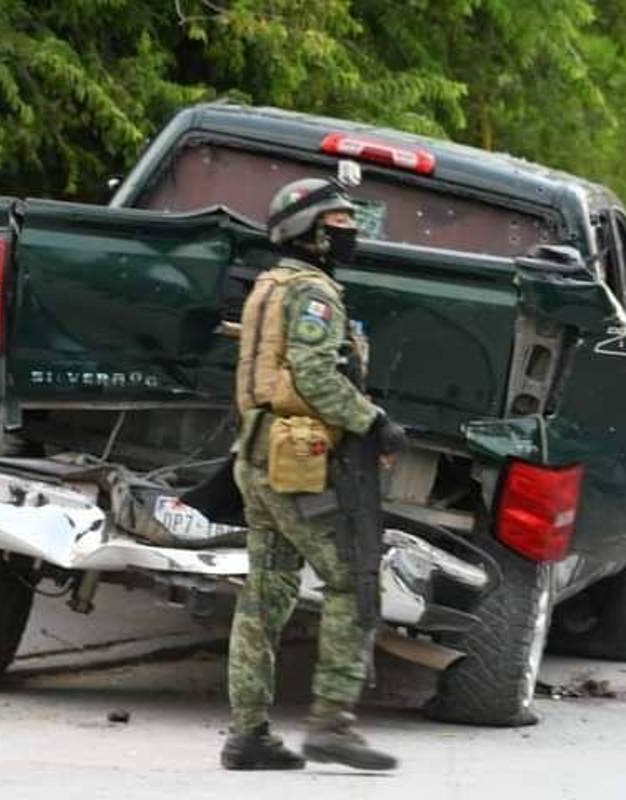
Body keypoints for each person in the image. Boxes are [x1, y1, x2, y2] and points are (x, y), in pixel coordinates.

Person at [221, 177, 407, 772]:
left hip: (256, 457)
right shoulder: (314, 294)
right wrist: (371, 420)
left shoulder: (269, 285)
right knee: (353, 583)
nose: (353, 235)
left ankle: (248, 736)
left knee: (265, 594)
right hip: (294, 465)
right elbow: (311, 373)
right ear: (312, 234)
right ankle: (333, 725)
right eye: (342, 224)